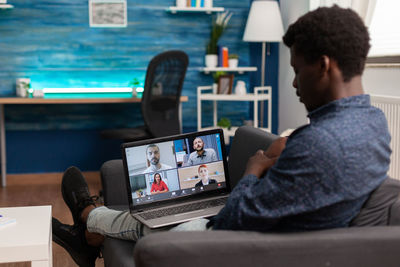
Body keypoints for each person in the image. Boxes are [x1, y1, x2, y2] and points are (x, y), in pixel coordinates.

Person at [52, 5, 392, 267]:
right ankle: (88, 232)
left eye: (296, 70)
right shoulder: (373, 124)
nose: (293, 83)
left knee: (161, 222)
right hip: (278, 229)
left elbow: (232, 218)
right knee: (171, 209)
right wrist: (285, 156)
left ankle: (86, 216)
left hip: (235, 243)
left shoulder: (321, 143)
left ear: (323, 65)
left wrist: (254, 170)